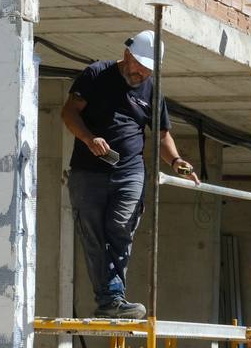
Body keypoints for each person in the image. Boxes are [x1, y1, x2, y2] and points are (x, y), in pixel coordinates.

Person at [62, 30, 199, 320]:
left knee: (120, 227)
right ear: (127, 55)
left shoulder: (152, 89)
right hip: (89, 171)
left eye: (148, 69)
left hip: (129, 171)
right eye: (139, 66)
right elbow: (68, 114)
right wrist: (88, 139)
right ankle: (110, 299)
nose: (141, 73)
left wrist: (175, 161)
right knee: (94, 235)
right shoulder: (96, 74)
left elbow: (162, 136)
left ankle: (112, 297)